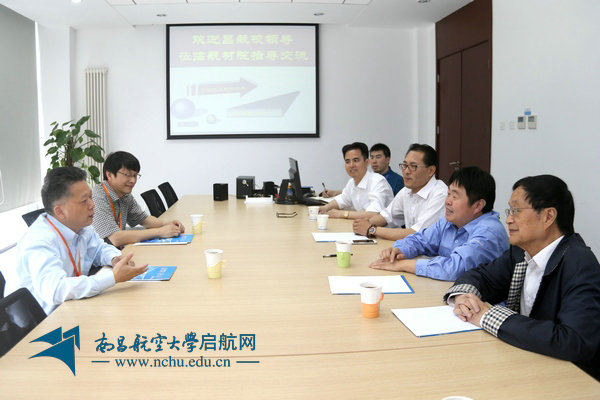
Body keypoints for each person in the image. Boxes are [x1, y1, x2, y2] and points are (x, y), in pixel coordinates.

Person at [444, 175, 600, 380]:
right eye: (509, 211)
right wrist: (464, 297)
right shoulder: (520, 251)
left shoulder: (580, 264)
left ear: (548, 217)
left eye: (516, 211)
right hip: (525, 359)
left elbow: (573, 341)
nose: (508, 219)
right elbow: (481, 276)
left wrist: (489, 316)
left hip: (568, 377)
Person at [6, 167, 148, 315]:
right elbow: (56, 290)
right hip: (46, 319)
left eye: (91, 197)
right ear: (60, 211)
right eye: (84, 201)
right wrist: (112, 277)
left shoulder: (80, 226)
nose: (92, 204)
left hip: (74, 305)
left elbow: (99, 249)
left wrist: (114, 258)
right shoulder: (39, 241)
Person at [370, 166, 509, 281]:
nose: (447, 201)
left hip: (483, 302)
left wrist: (403, 265)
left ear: (478, 205)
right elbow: (420, 240)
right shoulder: (449, 222)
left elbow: (455, 268)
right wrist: (399, 250)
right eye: (448, 194)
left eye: (455, 196)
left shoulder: (489, 232)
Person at [353, 143, 447, 240]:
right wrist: (363, 224)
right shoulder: (407, 190)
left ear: (431, 170)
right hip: (409, 247)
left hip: (430, 249)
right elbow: (386, 216)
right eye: (405, 165)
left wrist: (371, 229)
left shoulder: (440, 194)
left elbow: (417, 234)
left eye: (413, 166)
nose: (406, 171)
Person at [92, 151, 185, 247]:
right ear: (109, 175)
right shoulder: (98, 197)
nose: (133, 180)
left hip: (117, 251)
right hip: (100, 254)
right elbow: (114, 238)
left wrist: (166, 223)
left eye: (135, 175)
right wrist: (159, 231)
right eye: (127, 175)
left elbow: (143, 219)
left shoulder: (125, 195)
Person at [318, 142, 394, 220]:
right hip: (363, 225)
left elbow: (374, 214)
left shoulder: (378, 182)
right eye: (347, 162)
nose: (351, 165)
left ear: (367, 162)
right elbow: (342, 200)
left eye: (356, 160)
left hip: (383, 227)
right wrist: (324, 208)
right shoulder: (351, 182)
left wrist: (342, 214)